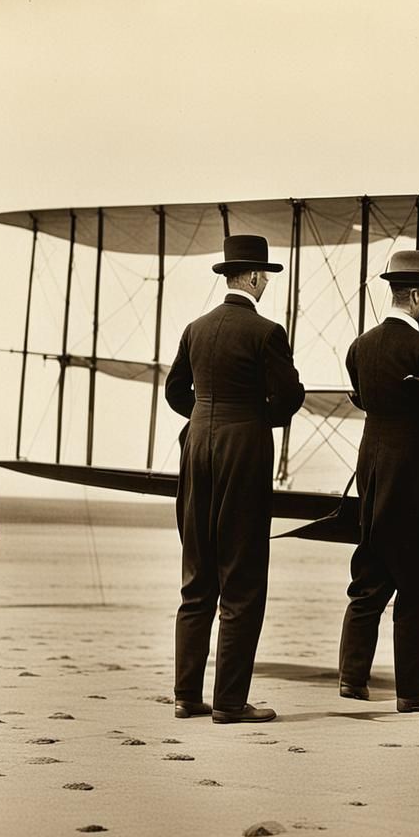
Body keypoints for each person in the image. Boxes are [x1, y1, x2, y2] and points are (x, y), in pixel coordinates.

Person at [165, 234, 305, 724]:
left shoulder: (195, 328)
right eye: (265, 275)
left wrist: (207, 415)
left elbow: (176, 391)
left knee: (197, 577)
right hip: (242, 452)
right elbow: (290, 397)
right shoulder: (267, 331)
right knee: (242, 578)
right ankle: (229, 701)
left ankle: (186, 695)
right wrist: (248, 417)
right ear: (251, 276)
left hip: (196, 446)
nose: (266, 282)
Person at [338, 250, 419, 713]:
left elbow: (364, 397)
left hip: (371, 467)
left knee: (370, 573)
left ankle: (353, 677)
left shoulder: (360, 345)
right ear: (413, 294)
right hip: (408, 473)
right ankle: (412, 689)